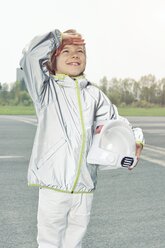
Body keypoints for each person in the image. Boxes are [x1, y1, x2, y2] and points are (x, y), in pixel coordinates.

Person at [17, 29, 144, 248]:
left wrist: (136, 140)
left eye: (80, 51)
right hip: (53, 185)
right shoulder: (46, 90)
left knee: (75, 242)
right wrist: (58, 37)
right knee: (49, 241)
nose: (75, 55)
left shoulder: (94, 95)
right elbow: (30, 57)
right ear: (51, 61)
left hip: (85, 185)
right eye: (66, 50)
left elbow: (116, 122)